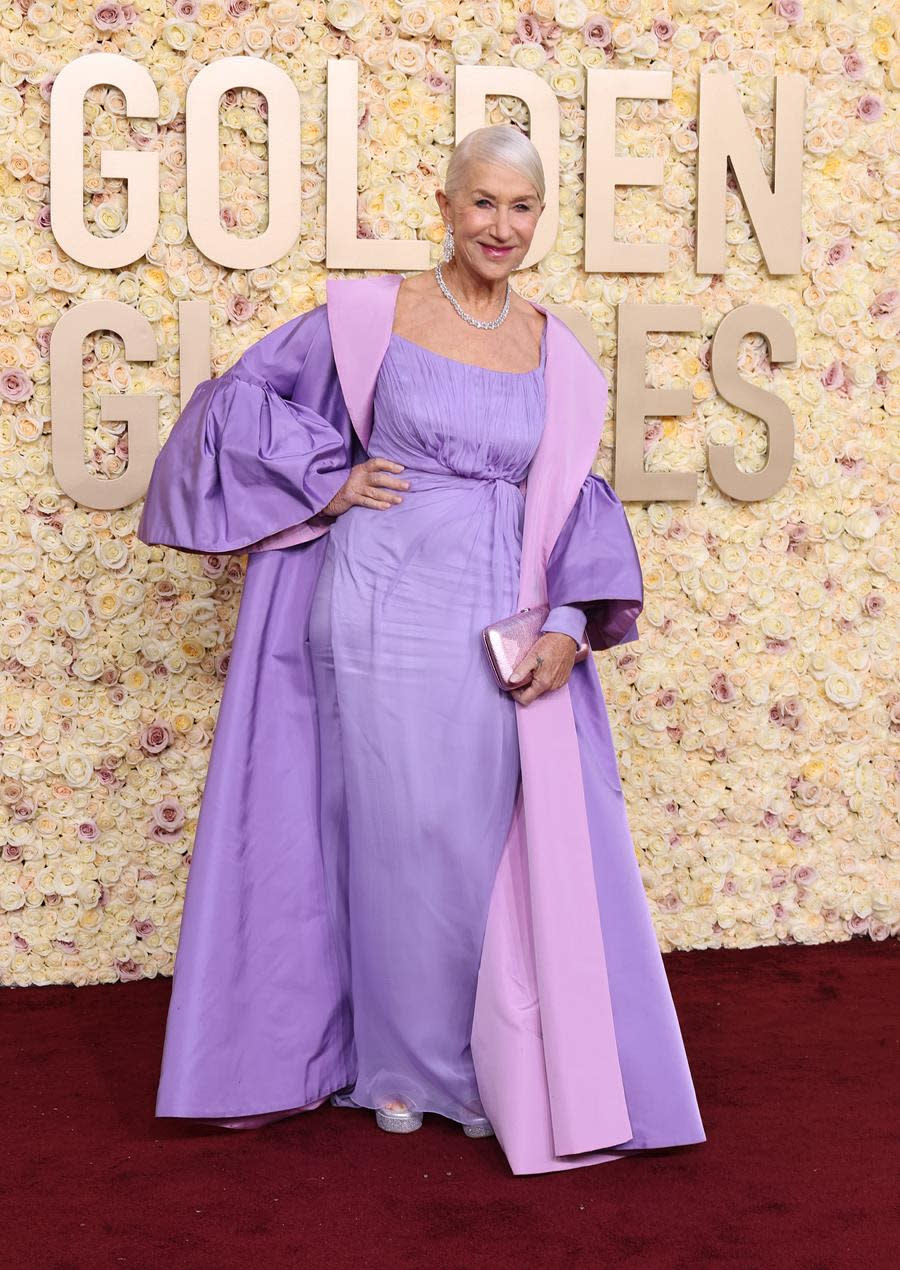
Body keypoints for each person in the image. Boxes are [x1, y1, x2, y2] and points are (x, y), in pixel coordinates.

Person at [137, 124, 706, 1176]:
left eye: (522, 207)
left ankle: (480, 1057)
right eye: (483, 202)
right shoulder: (371, 315)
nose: (502, 225)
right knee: (396, 834)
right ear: (444, 205)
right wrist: (332, 478)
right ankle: (403, 1068)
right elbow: (240, 407)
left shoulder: (556, 349)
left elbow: (578, 500)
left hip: (501, 613)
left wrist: (572, 628)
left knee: (479, 836)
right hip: (375, 603)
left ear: (542, 219)